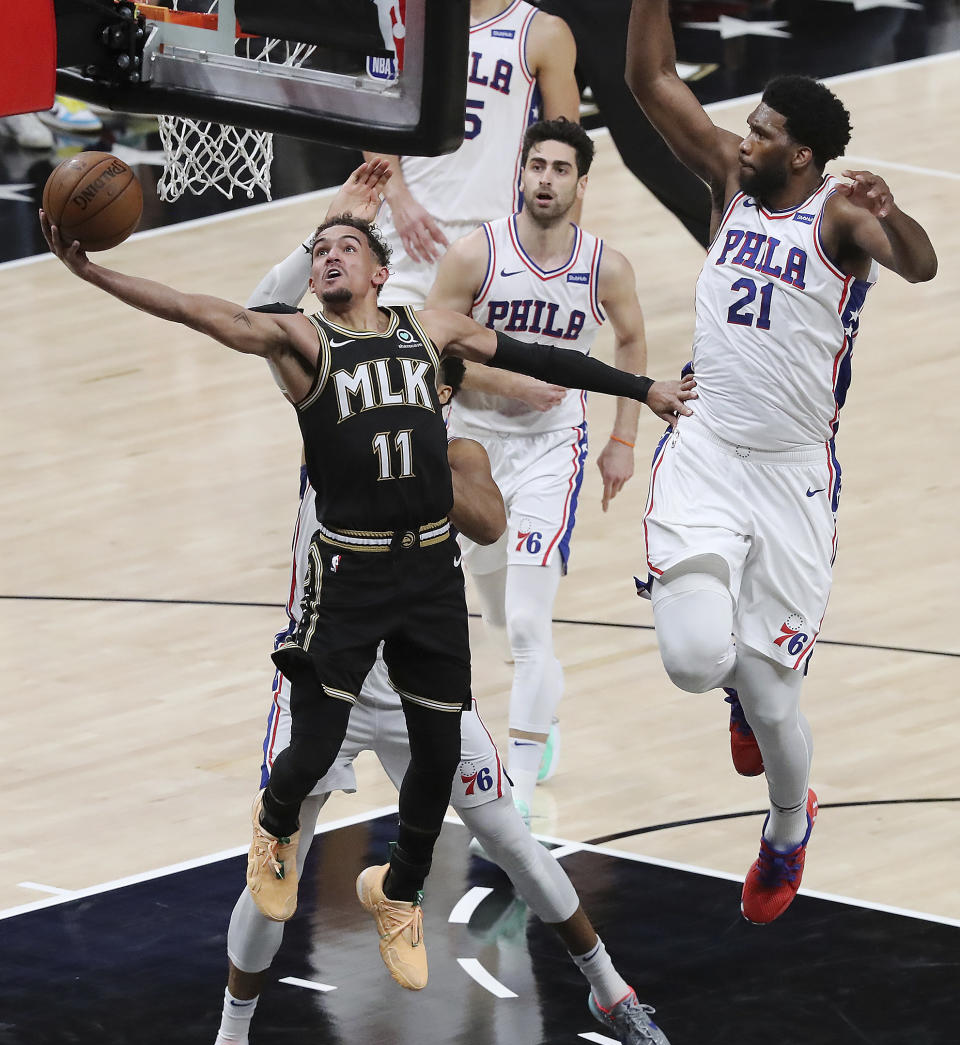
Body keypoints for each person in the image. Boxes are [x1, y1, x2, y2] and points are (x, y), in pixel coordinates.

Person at [40, 174, 695, 986]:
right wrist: (93, 273)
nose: (328, 255)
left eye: (346, 245)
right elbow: (199, 310)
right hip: (345, 576)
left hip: (422, 577)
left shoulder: (435, 342)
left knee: (436, 759)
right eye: (319, 250)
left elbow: (536, 358)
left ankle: (412, 896)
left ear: (382, 274)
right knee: (310, 750)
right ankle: (269, 857)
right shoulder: (304, 345)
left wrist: (643, 390)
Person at [197, 368, 678, 1045]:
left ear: (439, 396)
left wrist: (417, 459)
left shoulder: (461, 458)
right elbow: (259, 315)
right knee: (274, 866)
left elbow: (487, 523)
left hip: (419, 682)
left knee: (514, 842)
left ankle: (615, 996)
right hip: (329, 679)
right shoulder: (326, 428)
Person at [625, 0, 937, 924]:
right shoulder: (729, 178)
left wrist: (895, 212)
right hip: (710, 448)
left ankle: (789, 828)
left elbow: (919, 265)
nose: (742, 136)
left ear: (800, 153)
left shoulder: (840, 217)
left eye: (761, 130)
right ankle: (729, 678)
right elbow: (651, 83)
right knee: (692, 658)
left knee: (773, 702)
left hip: (794, 476)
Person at [425, 116, 654, 819]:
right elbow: (435, 353)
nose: (546, 179)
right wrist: (510, 386)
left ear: (582, 183)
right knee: (497, 614)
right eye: (537, 166)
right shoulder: (473, 257)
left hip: (554, 450)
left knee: (527, 625)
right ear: (520, 173)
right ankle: (539, 711)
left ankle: (516, 789)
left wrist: (623, 437)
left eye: (561, 169)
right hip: (472, 445)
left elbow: (633, 337)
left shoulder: (604, 266)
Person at [365, 0, 580, 309]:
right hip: (407, 231)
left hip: (497, 239)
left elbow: (569, 154)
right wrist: (398, 198)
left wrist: (562, 253)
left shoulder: (543, 32)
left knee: (481, 358)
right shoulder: (406, 20)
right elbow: (377, 119)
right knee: (385, 352)